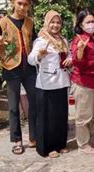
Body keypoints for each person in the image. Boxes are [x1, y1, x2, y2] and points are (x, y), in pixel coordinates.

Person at [0, 0, 37, 155]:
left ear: (29, 6)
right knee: (14, 107)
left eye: (25, 5)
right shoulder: (2, 22)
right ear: (13, 3)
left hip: (29, 69)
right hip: (11, 68)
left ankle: (34, 136)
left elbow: (35, 42)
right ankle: (16, 140)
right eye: (19, 4)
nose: (22, 7)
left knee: (34, 103)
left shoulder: (30, 22)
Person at [27, 10, 71, 158]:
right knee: (47, 117)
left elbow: (69, 55)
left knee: (60, 115)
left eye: (58, 22)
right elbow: (31, 59)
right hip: (46, 83)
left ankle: (60, 144)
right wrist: (39, 55)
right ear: (47, 23)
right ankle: (47, 147)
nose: (55, 25)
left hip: (62, 82)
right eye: (52, 22)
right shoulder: (41, 40)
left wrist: (70, 60)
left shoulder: (63, 40)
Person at [71, 9, 94, 155]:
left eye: (93, 21)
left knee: (93, 113)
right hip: (83, 82)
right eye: (88, 22)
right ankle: (83, 144)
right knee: (83, 116)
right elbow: (77, 63)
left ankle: (90, 140)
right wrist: (80, 51)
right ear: (81, 24)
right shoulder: (79, 40)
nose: (92, 24)